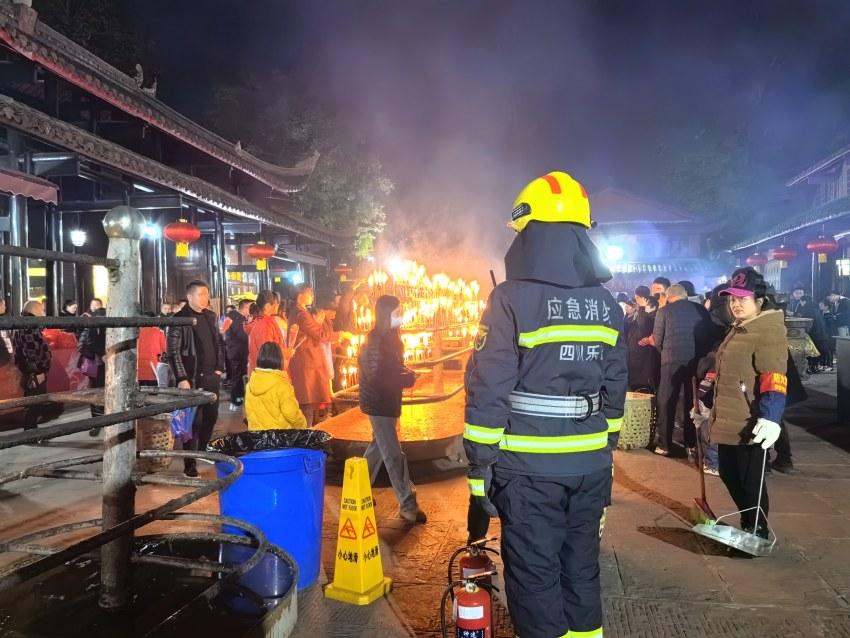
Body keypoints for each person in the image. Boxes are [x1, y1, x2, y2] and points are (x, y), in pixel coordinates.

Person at [464, 172, 626, 638]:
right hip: (591, 467)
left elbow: (488, 389)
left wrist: (479, 469)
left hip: (529, 469)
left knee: (535, 577)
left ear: (529, 232)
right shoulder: (606, 304)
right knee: (581, 569)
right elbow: (617, 385)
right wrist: (605, 445)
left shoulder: (509, 299)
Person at [708, 267, 787, 538]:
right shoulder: (738, 329)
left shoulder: (767, 330)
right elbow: (725, 370)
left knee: (750, 481)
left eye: (743, 298)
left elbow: (774, 376)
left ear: (759, 300)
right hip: (730, 416)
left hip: (751, 420)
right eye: (732, 299)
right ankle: (748, 522)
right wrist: (706, 402)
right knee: (729, 474)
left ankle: (757, 530)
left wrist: (771, 417)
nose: (736, 304)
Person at [358, 294, 426, 523]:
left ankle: (359, 489)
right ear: (385, 315)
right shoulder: (373, 341)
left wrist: (405, 374)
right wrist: (404, 379)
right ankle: (408, 504)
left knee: (379, 448)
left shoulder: (392, 339)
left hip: (388, 402)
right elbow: (377, 376)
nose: (401, 316)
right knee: (393, 454)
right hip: (379, 404)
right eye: (397, 313)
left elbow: (393, 368)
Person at [167, 280, 225, 478]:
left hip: (211, 376)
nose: (204, 298)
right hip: (191, 376)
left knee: (211, 415)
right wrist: (182, 377)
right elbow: (173, 352)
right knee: (190, 421)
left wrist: (219, 368)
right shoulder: (179, 319)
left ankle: (203, 449)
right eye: (200, 294)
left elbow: (218, 343)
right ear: (190, 297)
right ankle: (189, 463)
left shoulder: (210, 316)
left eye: (206, 294)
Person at [651, 283, 712, 458]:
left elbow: (657, 339)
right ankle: (691, 443)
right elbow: (707, 336)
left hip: (670, 361)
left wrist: (664, 353)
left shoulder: (664, 311)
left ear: (669, 297)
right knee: (691, 402)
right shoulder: (700, 310)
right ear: (685, 295)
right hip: (695, 362)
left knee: (666, 402)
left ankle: (664, 444)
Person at [288, 284, 334, 426]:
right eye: (310, 293)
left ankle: (308, 438)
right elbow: (320, 334)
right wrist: (339, 334)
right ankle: (307, 440)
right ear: (300, 295)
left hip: (306, 362)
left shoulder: (297, 312)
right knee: (306, 404)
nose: (312, 296)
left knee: (308, 405)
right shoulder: (301, 314)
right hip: (307, 363)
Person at [245, 342, 307, 430]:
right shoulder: (282, 385)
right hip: (279, 438)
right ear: (279, 359)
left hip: (257, 438)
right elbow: (292, 414)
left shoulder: (250, 385)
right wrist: (303, 425)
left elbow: (249, 412)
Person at [12, 300, 52, 430]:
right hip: (35, 373)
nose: (43, 313)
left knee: (34, 402)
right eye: (41, 310)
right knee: (35, 402)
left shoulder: (24, 324)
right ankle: (31, 432)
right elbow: (30, 352)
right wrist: (37, 372)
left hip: (31, 371)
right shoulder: (29, 326)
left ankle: (31, 431)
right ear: (34, 311)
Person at [246, 290, 287, 378]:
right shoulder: (265, 324)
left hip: (262, 375)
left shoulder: (261, 321)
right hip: (267, 377)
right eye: (276, 304)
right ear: (268, 306)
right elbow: (268, 355)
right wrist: (286, 353)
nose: (277, 306)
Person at [626, 287, 659, 392]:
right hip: (632, 358)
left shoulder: (651, 314)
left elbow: (643, 330)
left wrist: (642, 309)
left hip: (644, 361)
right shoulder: (634, 315)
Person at [79, 304, 107, 430]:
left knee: (97, 388)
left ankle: (98, 417)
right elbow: (90, 343)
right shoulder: (93, 329)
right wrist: (102, 354)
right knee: (97, 389)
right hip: (96, 364)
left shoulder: (95, 328)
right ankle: (97, 418)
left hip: (97, 364)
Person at [224, 299, 251, 408]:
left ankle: (238, 397)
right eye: (250, 307)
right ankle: (236, 399)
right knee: (237, 376)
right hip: (237, 352)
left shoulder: (234, 317)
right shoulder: (237, 319)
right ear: (245, 308)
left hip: (236, 351)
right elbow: (243, 335)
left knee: (238, 375)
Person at [797, 295, 830, 374]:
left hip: (814, 335)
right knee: (816, 352)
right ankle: (814, 367)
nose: (800, 304)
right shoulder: (816, 309)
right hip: (821, 335)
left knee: (810, 352)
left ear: (803, 301)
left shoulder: (807, 309)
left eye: (801, 302)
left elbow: (805, 323)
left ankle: (810, 367)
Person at [137, 312, 166, 386]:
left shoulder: (135, 332)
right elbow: (164, 350)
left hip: (137, 370)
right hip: (153, 369)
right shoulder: (159, 332)